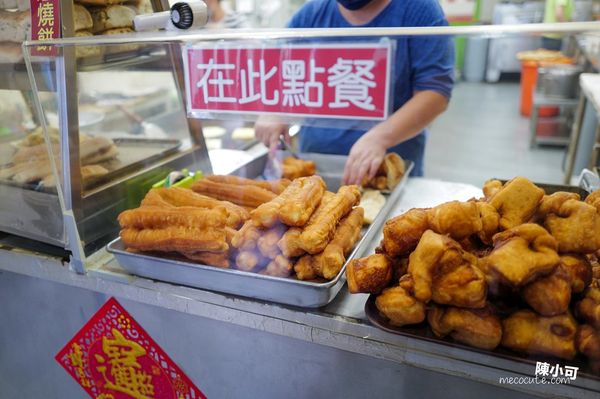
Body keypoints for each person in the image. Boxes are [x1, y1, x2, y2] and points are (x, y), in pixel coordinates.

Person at [255, 0, 454, 185]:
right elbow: (279, 71)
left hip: (386, 172)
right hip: (315, 166)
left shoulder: (419, 10)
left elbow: (435, 93)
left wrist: (380, 138)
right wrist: (274, 109)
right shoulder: (312, 14)